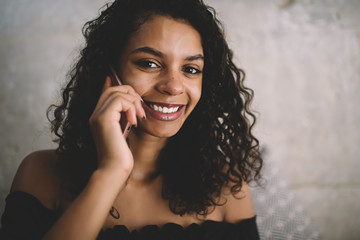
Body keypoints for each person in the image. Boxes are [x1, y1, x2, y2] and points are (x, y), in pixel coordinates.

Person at [0, 0, 263, 239]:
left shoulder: (227, 188)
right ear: (109, 71)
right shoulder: (41, 174)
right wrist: (112, 171)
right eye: (149, 63)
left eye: (190, 69)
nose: (173, 86)